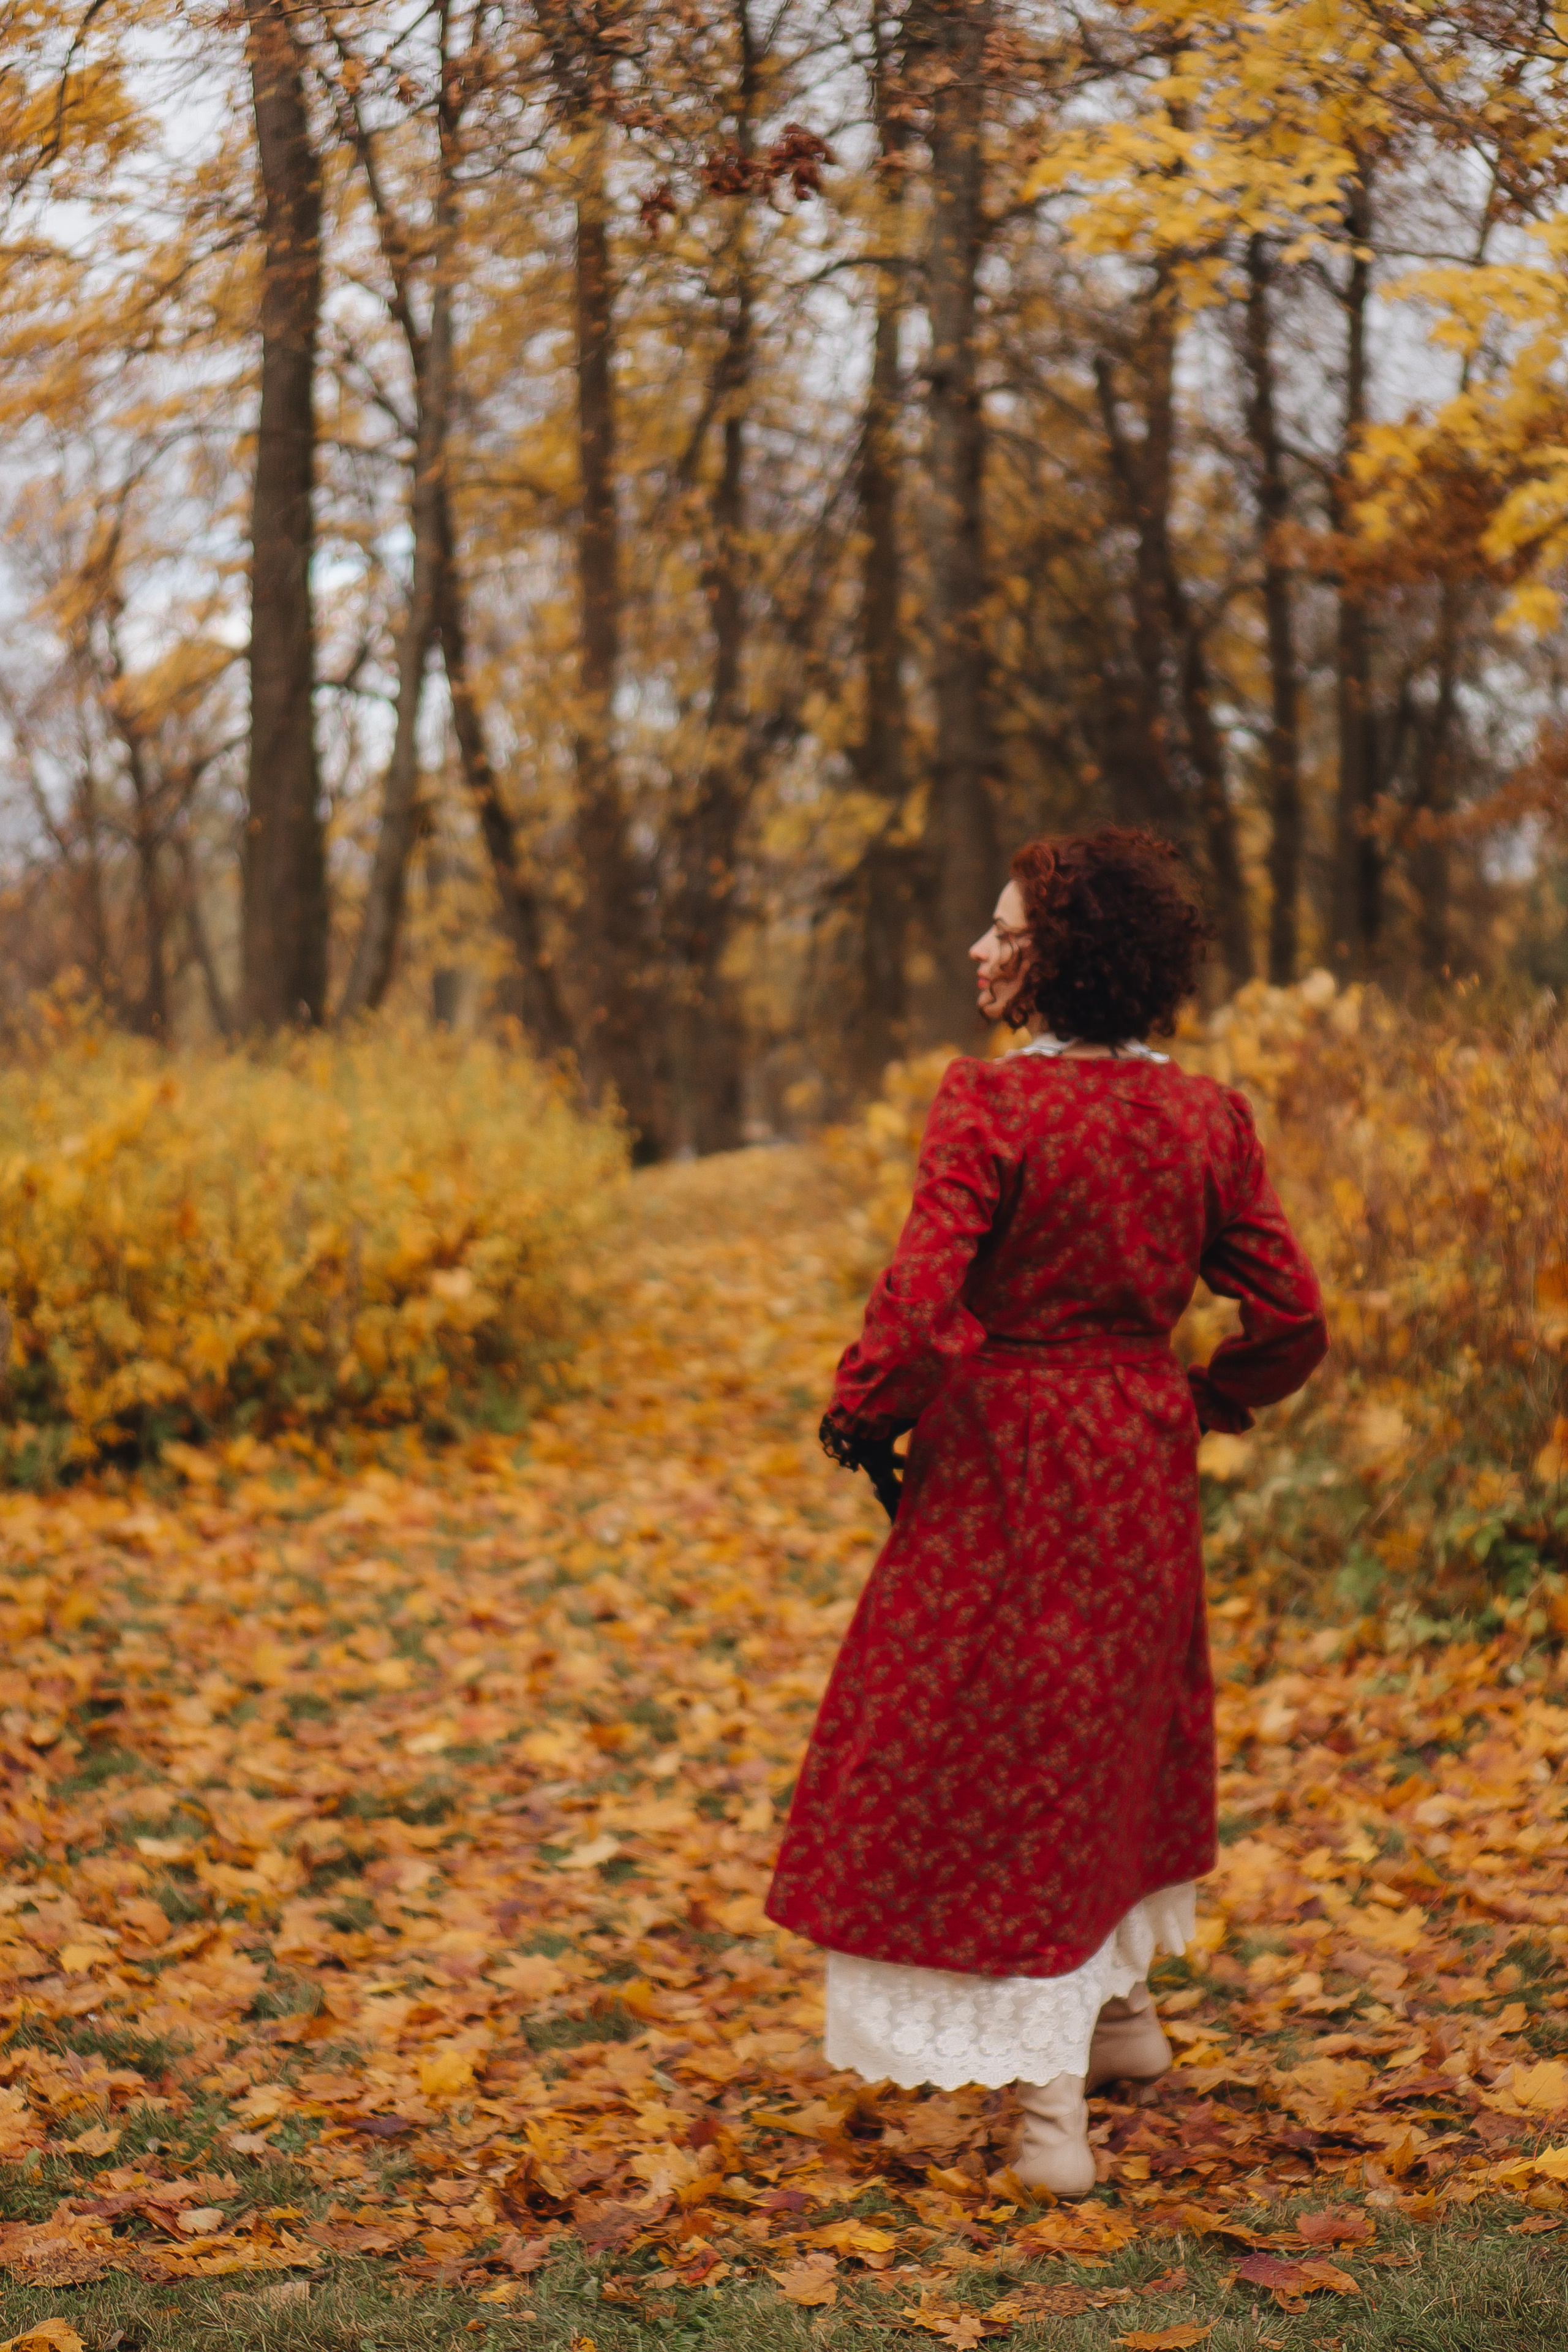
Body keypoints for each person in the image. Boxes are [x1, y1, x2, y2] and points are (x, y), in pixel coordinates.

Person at [765, 827, 1327, 2195]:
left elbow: (916, 1303)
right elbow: (1292, 1316)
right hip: (1135, 1454)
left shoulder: (989, 1108)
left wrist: (863, 1407)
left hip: (1004, 1461)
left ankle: (1048, 2123)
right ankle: (1120, 2020)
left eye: (1003, 930)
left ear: (1056, 961)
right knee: (1113, 1725)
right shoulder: (1205, 1118)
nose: (978, 948)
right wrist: (1202, 1397)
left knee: (994, 1746)